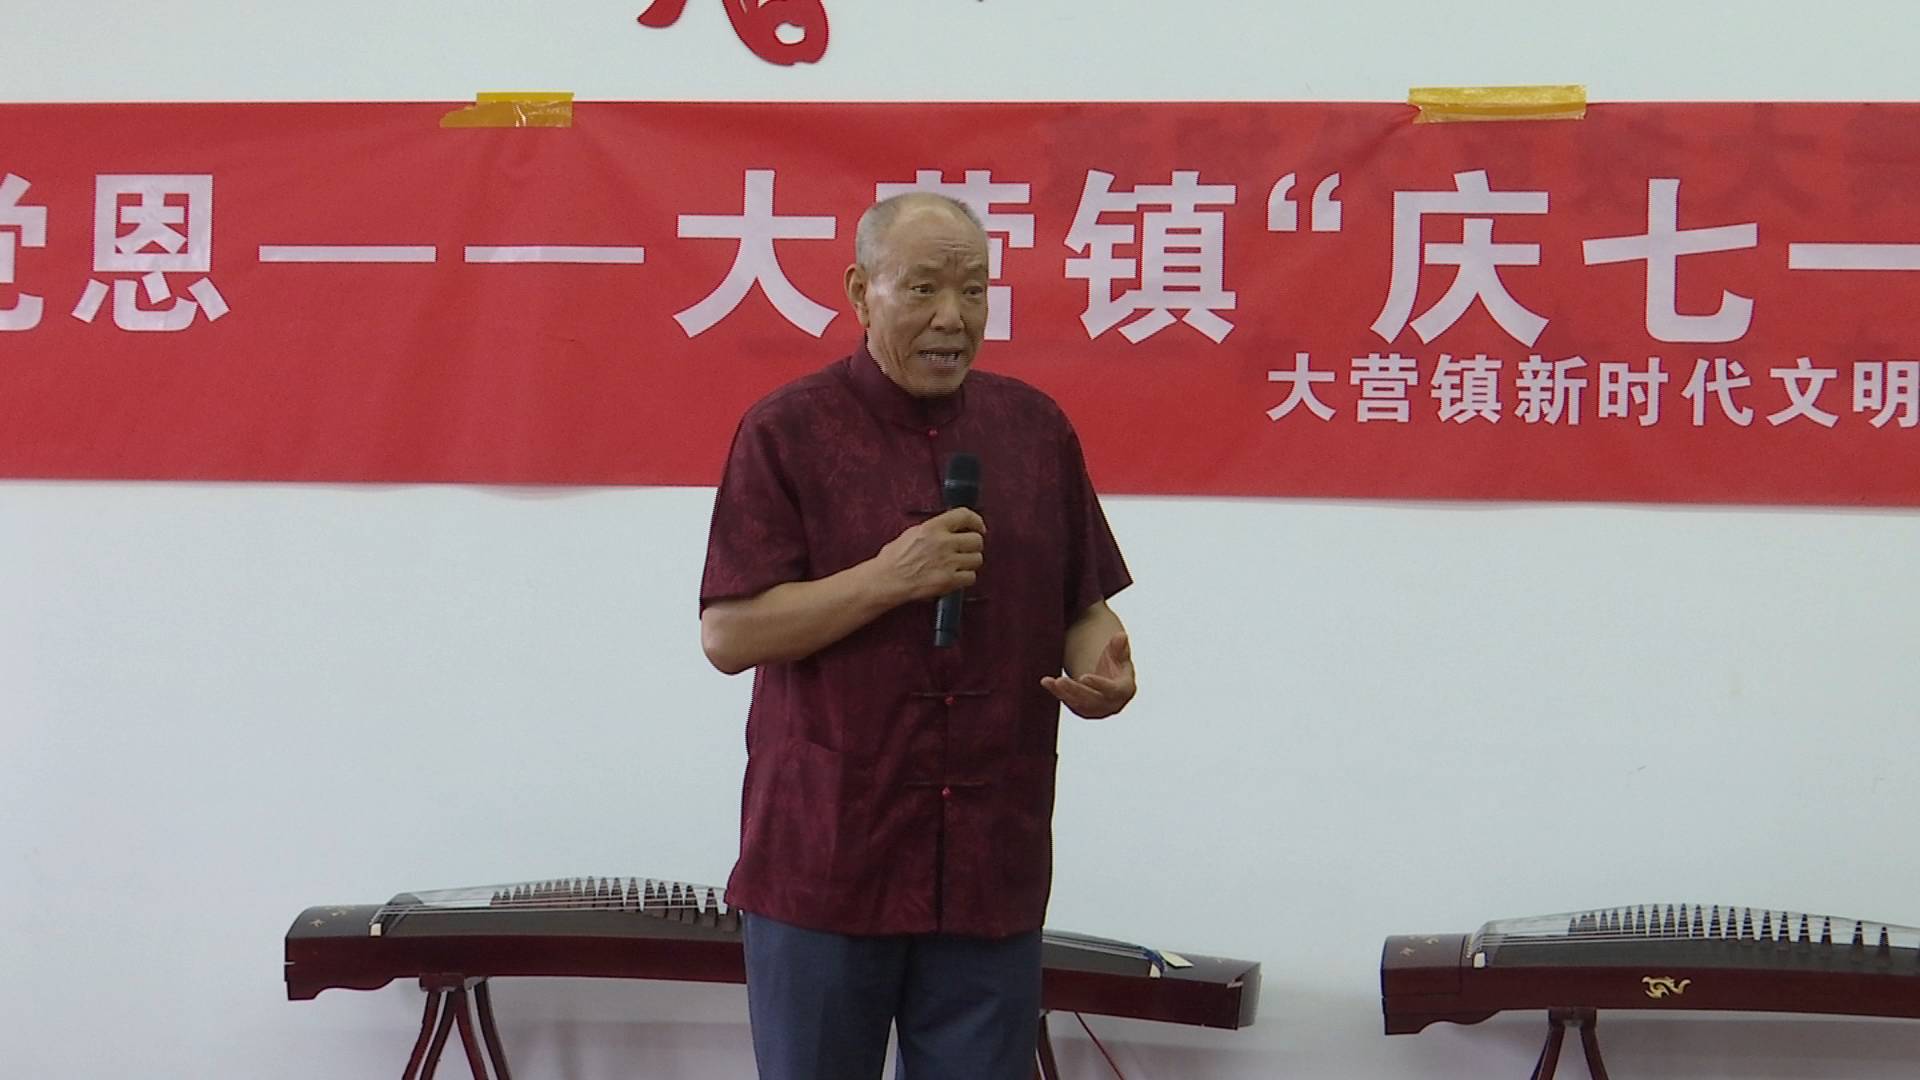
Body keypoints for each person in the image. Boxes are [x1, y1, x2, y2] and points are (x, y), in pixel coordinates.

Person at [698, 191, 1136, 1080]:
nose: (952, 317)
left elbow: (1084, 608)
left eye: (974, 291)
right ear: (861, 292)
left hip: (989, 863)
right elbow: (729, 633)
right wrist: (889, 578)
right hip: (828, 863)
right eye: (924, 288)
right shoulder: (787, 430)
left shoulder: (1034, 430)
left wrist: (1104, 668)